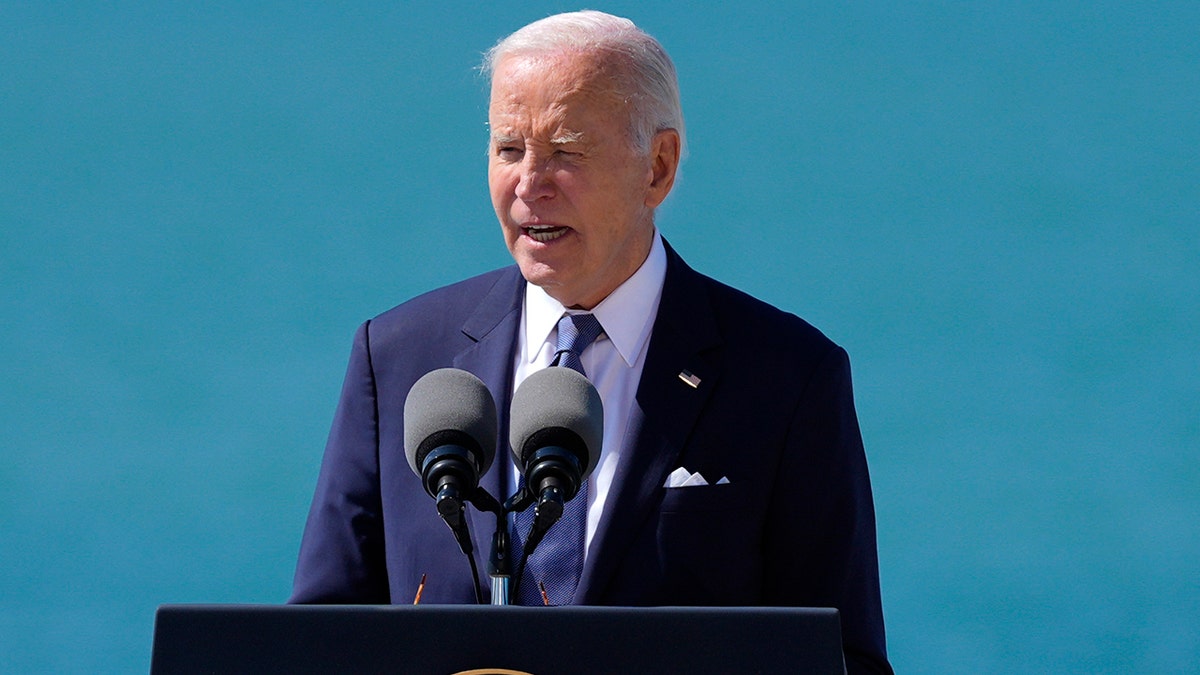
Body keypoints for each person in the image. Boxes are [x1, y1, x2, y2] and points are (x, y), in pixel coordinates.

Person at [290, 10, 892, 673]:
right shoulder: (400, 356)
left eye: (566, 152)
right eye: (508, 149)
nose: (529, 184)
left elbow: (843, 659)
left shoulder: (788, 379)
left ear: (657, 168)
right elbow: (320, 639)